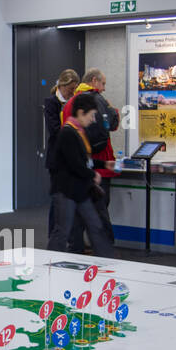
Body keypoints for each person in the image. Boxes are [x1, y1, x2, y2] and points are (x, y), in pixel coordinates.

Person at [48, 92, 115, 257]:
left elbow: (84, 159)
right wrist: (92, 175)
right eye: (92, 115)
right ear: (80, 113)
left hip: (79, 189)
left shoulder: (78, 132)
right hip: (66, 191)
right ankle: (48, 262)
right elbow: (75, 163)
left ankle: (105, 260)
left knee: (95, 225)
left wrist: (103, 164)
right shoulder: (68, 133)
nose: (93, 120)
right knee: (63, 230)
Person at [61, 68, 119, 253]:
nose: (103, 88)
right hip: (98, 165)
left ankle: (76, 251)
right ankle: (105, 250)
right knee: (100, 211)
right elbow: (112, 124)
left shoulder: (69, 102)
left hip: (78, 167)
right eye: (103, 84)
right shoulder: (97, 99)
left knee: (78, 214)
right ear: (94, 81)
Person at [43, 70, 79, 236]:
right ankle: (54, 235)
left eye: (74, 89)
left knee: (71, 199)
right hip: (57, 159)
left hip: (71, 157)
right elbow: (54, 129)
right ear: (62, 85)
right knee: (57, 199)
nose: (72, 92)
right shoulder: (51, 102)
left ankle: (70, 237)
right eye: (70, 89)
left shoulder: (74, 102)